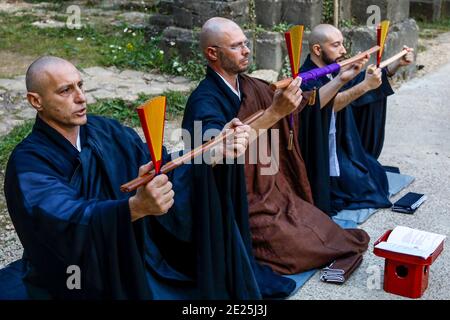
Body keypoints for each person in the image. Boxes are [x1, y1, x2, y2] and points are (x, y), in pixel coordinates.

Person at [3, 56, 276, 299]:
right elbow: (63, 218)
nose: (80, 97)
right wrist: (133, 208)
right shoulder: (29, 162)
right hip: (76, 274)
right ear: (36, 101)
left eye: (80, 85)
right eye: (65, 91)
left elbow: (162, 165)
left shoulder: (105, 130)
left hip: (132, 254)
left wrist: (212, 152)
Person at [181, 17, 370, 276]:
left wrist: (340, 80)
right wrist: (274, 113)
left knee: (325, 229)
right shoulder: (204, 101)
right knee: (295, 247)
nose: (246, 50)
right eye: (236, 46)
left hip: (271, 188)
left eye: (245, 43)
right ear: (212, 53)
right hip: (236, 201)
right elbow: (212, 155)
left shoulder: (249, 85)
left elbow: (305, 108)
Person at [299, 24, 414, 215]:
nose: (343, 51)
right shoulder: (305, 78)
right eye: (336, 45)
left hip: (344, 146)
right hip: (322, 156)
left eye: (342, 44)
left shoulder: (331, 69)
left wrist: (395, 65)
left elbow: (356, 82)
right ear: (317, 49)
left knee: (375, 173)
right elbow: (327, 105)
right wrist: (365, 86)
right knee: (366, 188)